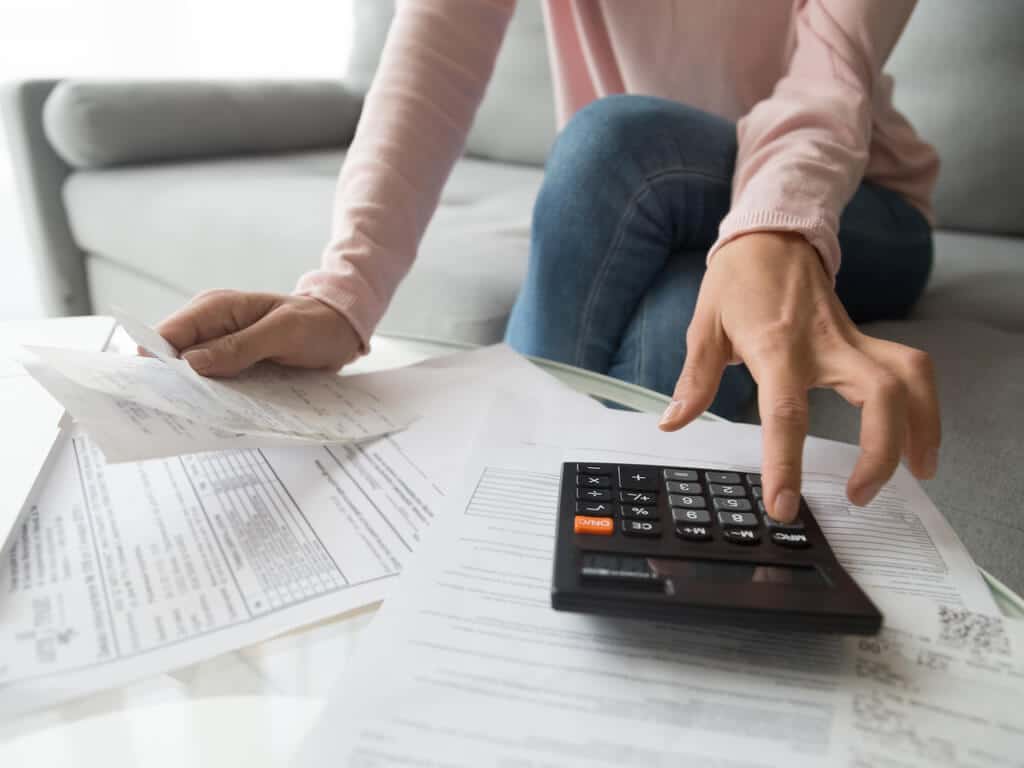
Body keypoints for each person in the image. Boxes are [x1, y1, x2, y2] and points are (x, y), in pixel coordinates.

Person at [155, 0, 941, 525]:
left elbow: (828, 76)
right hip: (650, 212)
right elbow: (432, 65)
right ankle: (555, 555)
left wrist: (772, 233)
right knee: (677, 322)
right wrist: (341, 297)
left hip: (854, 202)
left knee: (613, 138)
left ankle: (486, 521)